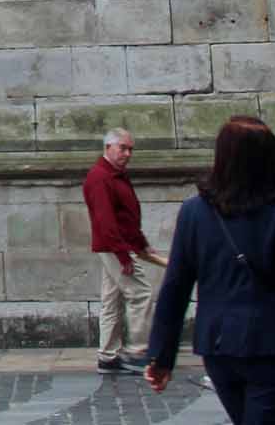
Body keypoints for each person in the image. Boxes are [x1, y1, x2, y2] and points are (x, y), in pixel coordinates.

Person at [145, 115, 275, 424]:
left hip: (218, 345)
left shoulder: (194, 212)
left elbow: (175, 287)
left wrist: (161, 355)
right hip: (271, 345)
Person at [85, 126, 159, 372]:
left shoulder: (115, 175)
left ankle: (108, 356)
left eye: (130, 149)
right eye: (122, 148)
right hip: (114, 247)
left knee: (112, 300)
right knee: (140, 293)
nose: (127, 154)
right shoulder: (100, 177)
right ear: (108, 148)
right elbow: (105, 221)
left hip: (118, 245)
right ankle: (138, 351)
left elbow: (126, 216)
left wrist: (141, 243)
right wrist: (123, 255)